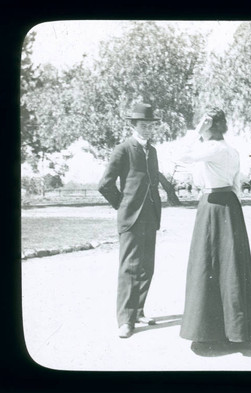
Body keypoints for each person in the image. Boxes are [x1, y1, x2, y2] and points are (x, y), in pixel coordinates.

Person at [177, 108, 251, 345]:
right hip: (230, 206)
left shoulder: (213, 148)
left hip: (213, 205)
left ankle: (210, 331)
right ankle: (237, 329)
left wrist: (196, 130)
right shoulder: (232, 150)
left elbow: (180, 156)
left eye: (203, 124)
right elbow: (236, 185)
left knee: (208, 262)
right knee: (232, 265)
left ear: (208, 125)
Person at [98, 103, 162, 339]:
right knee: (129, 267)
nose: (147, 129)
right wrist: (121, 204)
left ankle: (138, 311)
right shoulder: (123, 149)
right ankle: (125, 320)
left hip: (150, 216)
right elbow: (105, 184)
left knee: (147, 266)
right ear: (133, 125)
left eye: (151, 125)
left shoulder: (152, 151)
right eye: (143, 125)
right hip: (130, 217)